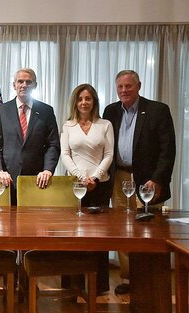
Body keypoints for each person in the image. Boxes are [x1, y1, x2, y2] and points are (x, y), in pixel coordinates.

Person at [103, 69, 176, 295]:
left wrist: (158, 179)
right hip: (120, 178)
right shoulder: (111, 111)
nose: (124, 90)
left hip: (148, 179)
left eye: (129, 86)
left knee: (148, 230)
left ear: (139, 86)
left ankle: (148, 280)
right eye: (120, 87)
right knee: (123, 229)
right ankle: (129, 278)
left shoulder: (157, 110)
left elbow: (168, 149)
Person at [60, 83, 114, 294]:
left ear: (94, 102)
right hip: (74, 185)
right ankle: (72, 283)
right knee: (73, 235)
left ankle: (98, 285)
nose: (84, 102)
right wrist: (82, 177)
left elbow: (109, 154)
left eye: (88, 98)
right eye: (80, 98)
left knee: (98, 236)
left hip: (100, 186)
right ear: (75, 102)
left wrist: (95, 178)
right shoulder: (68, 125)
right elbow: (65, 154)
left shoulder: (105, 125)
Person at [0, 68, 60, 204]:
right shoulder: (2, 110)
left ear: (35, 85)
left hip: (37, 180)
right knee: (8, 222)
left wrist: (47, 170)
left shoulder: (46, 111)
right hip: (7, 180)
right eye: (20, 81)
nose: (24, 85)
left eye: (28, 82)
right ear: (14, 85)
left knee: (34, 223)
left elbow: (53, 144)